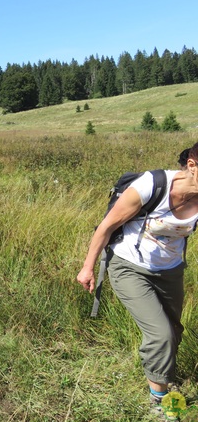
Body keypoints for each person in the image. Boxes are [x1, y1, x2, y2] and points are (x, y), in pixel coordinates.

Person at [76, 142, 198, 416]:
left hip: (171, 271)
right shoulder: (152, 185)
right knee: (161, 334)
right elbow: (107, 226)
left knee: (173, 332)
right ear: (192, 165)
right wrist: (87, 267)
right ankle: (161, 401)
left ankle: (162, 375)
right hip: (129, 266)